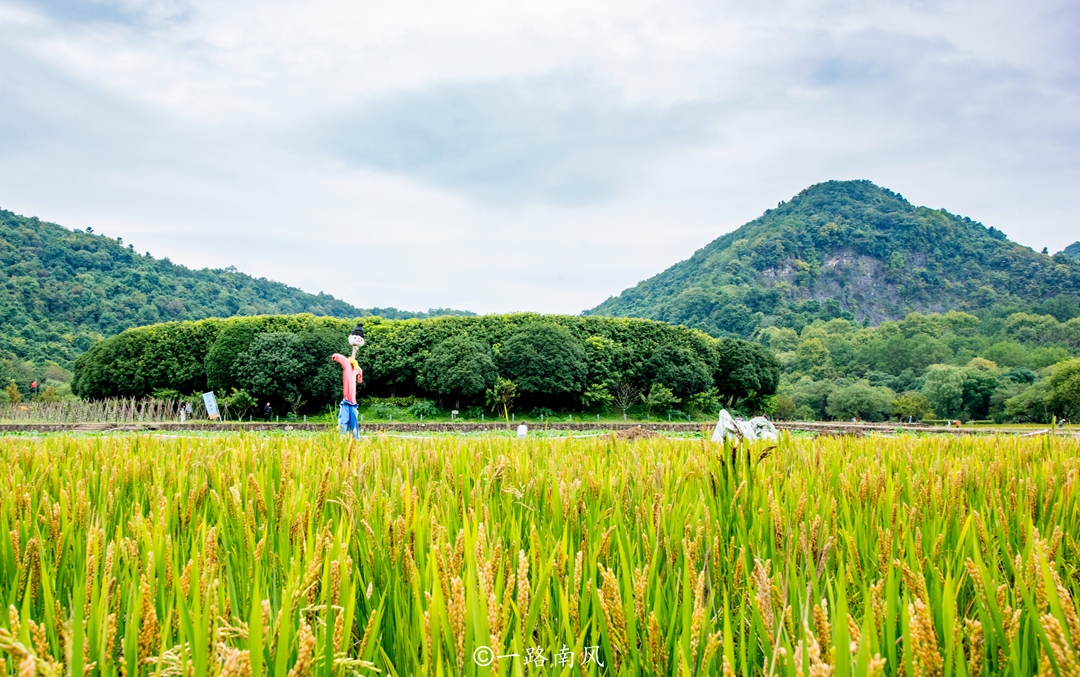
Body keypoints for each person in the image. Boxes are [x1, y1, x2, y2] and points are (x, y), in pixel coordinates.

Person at [333, 322, 365, 438]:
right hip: (346, 401)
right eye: (356, 336)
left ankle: (355, 441)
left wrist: (360, 375)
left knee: (354, 424)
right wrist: (336, 357)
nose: (358, 338)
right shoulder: (347, 363)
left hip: (353, 403)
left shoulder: (356, 368)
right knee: (343, 422)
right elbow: (338, 357)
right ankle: (341, 440)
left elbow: (360, 371)